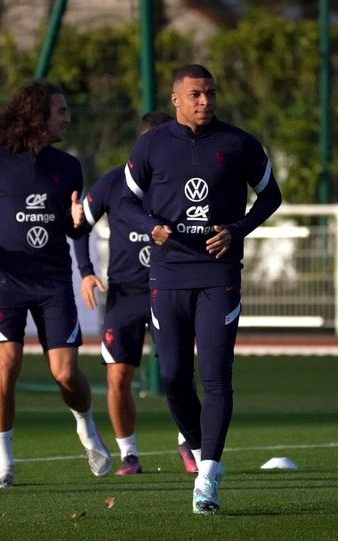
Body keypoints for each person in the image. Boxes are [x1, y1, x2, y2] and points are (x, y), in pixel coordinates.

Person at [118, 64, 282, 514]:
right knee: (172, 377)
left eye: (210, 92)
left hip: (219, 274)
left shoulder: (239, 143)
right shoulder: (152, 144)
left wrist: (238, 229)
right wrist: (151, 227)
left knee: (214, 376)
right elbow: (124, 202)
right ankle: (198, 441)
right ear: (176, 99)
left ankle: (207, 474)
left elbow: (271, 196)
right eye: (195, 94)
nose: (205, 101)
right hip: (167, 275)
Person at [0, 79, 112, 488]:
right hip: (5, 281)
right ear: (37, 115)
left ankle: (86, 425)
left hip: (53, 282)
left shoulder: (68, 166)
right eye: (61, 111)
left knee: (64, 373)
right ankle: (3, 463)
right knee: (6, 365)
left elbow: (75, 230)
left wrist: (83, 254)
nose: (67, 118)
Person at [73, 110, 198, 476]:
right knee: (118, 376)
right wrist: (85, 272)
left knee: (178, 373)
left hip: (170, 288)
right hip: (125, 294)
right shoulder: (114, 183)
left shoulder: (181, 182)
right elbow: (81, 226)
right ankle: (129, 454)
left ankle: (188, 442)